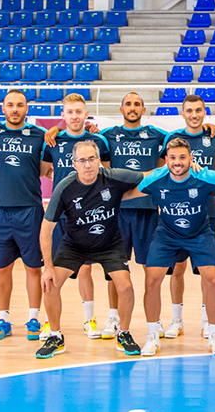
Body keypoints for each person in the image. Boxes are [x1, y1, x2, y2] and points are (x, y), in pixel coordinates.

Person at [135, 138, 215, 356]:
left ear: (191, 158)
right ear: (165, 160)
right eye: (172, 157)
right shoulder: (155, 178)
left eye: (182, 157)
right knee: (151, 280)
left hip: (200, 234)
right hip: (167, 235)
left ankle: (214, 335)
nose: (177, 162)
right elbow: (129, 193)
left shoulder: (204, 176)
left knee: (212, 279)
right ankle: (153, 336)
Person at [38, 141, 144, 359]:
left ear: (99, 161)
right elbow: (45, 230)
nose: (88, 165)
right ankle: (56, 336)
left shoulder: (112, 176)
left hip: (109, 244)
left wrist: (177, 169)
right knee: (50, 284)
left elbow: (148, 177)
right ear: (74, 164)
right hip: (74, 244)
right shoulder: (65, 187)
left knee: (126, 287)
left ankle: (123, 334)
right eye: (82, 160)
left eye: (92, 159)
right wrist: (47, 267)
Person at [0, 90, 50, 342]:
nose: (15, 109)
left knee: (33, 268)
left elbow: (55, 156)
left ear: (26, 109)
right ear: (3, 108)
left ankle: (33, 317)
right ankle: (3, 318)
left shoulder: (39, 135)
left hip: (30, 210)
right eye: (10, 105)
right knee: (2, 268)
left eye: (20, 105)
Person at [41, 93, 111, 339]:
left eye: (79, 111)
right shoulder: (53, 140)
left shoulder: (98, 140)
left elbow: (108, 171)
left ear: (85, 114)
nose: (74, 116)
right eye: (69, 112)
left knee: (84, 270)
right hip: (60, 214)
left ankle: (89, 320)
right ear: (63, 115)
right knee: (51, 271)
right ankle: (50, 323)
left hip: (87, 216)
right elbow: (44, 170)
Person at [98, 92, 166, 339]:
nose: (133, 108)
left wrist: (209, 127)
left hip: (147, 208)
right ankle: (114, 318)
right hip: (117, 211)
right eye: (128, 104)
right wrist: (52, 132)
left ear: (143, 109)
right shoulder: (107, 136)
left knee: (152, 269)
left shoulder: (157, 135)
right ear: (121, 109)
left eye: (137, 104)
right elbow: (84, 139)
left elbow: (182, 140)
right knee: (114, 269)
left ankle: (154, 320)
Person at [161, 95, 215, 339]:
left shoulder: (213, 137)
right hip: (177, 214)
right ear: (183, 113)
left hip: (206, 212)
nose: (194, 114)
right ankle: (176, 320)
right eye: (189, 110)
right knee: (177, 268)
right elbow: (163, 171)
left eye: (198, 110)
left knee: (207, 271)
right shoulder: (172, 140)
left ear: (204, 112)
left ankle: (205, 319)